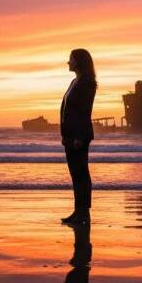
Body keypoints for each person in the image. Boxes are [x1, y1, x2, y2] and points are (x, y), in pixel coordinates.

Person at [60, 48, 97, 224]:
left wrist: (79, 137)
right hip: (70, 136)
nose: (69, 62)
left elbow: (83, 113)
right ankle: (78, 211)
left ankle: (84, 213)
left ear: (79, 61)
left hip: (78, 136)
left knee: (81, 173)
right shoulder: (75, 81)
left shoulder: (86, 83)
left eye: (71, 59)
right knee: (76, 174)